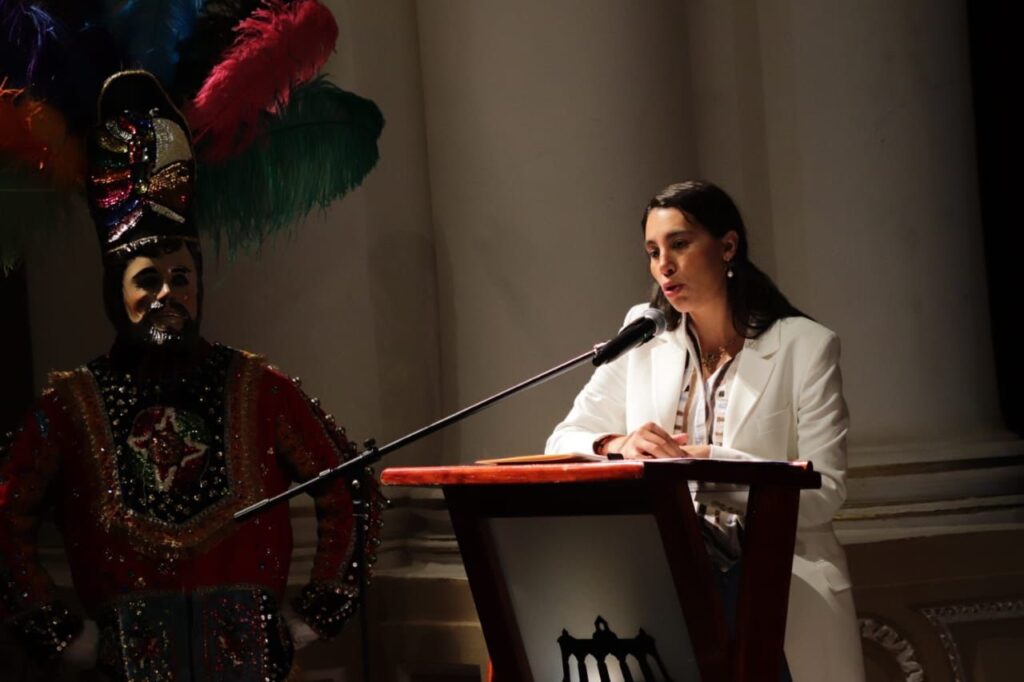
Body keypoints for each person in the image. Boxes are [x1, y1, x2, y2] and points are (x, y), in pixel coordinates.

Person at [0, 71, 381, 681]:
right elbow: (4, 513)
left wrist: (315, 614)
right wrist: (58, 632)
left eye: (181, 279)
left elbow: (351, 486)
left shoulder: (257, 388)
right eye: (147, 280)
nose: (167, 295)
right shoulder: (69, 406)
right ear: (117, 292)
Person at [546, 180, 865, 682]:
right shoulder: (644, 340)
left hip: (776, 587)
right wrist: (617, 444)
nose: (664, 266)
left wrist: (708, 465)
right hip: (662, 588)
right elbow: (563, 440)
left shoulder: (805, 347)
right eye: (653, 252)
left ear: (728, 246)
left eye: (679, 244)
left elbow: (824, 493)